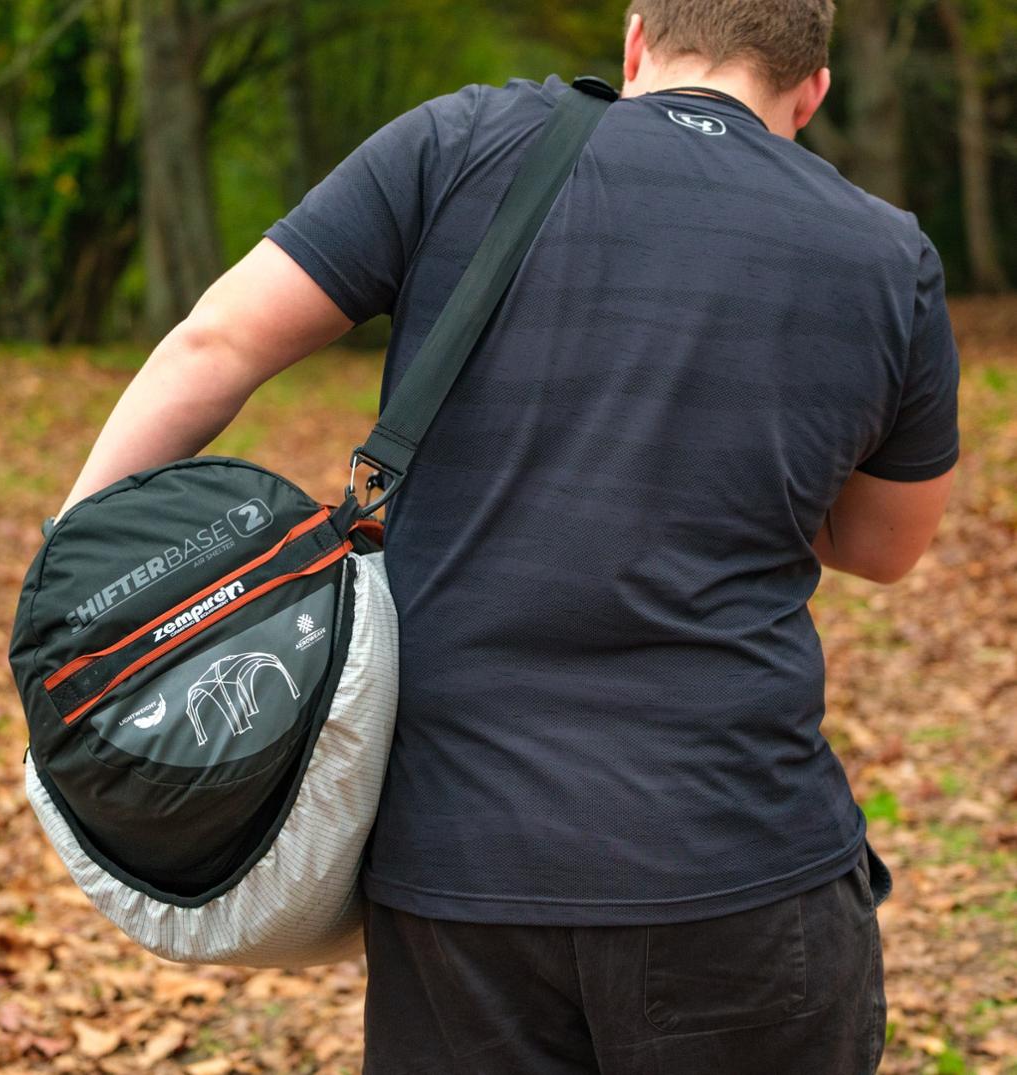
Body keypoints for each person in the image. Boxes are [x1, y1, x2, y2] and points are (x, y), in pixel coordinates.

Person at [56, 1, 960, 1071]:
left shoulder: (458, 144)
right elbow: (883, 544)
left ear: (635, 42)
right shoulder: (883, 252)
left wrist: (68, 587)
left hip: (461, 876)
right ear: (808, 95)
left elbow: (216, 342)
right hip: (741, 865)